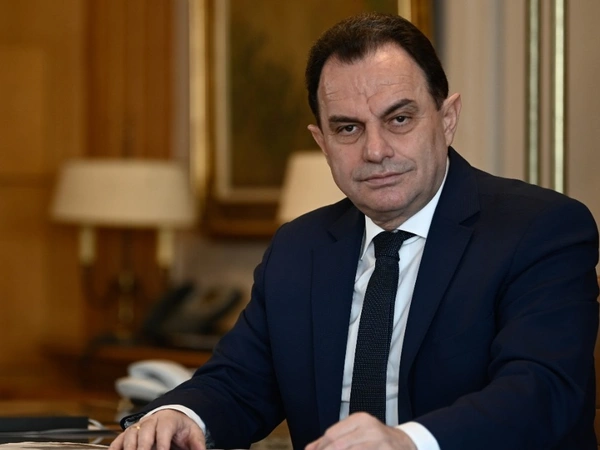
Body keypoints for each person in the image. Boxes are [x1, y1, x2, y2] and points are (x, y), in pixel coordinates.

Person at [109, 12, 599, 450]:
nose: (375, 150)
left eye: (399, 119)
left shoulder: (539, 229)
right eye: (348, 128)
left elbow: (541, 392)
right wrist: (181, 414)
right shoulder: (299, 248)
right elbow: (239, 382)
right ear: (322, 142)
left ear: (447, 119)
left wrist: (407, 443)